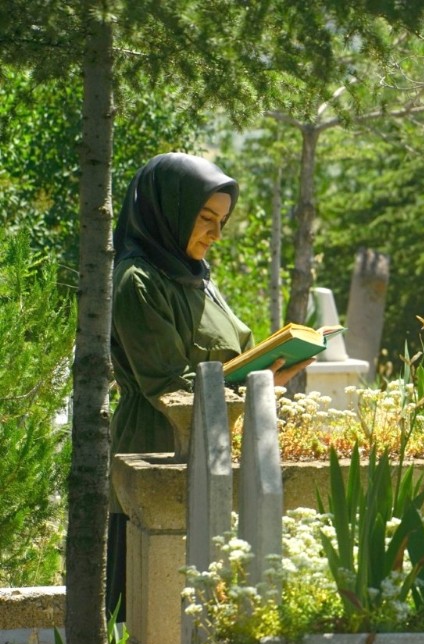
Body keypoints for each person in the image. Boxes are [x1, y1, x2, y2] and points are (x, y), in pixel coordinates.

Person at [107, 152, 312, 619]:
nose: (216, 235)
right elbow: (168, 387)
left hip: (216, 454)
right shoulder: (139, 281)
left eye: (222, 221)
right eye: (205, 219)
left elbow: (225, 359)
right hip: (161, 453)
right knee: (151, 618)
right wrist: (250, 387)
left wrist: (268, 374)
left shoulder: (196, 276)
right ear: (168, 211)